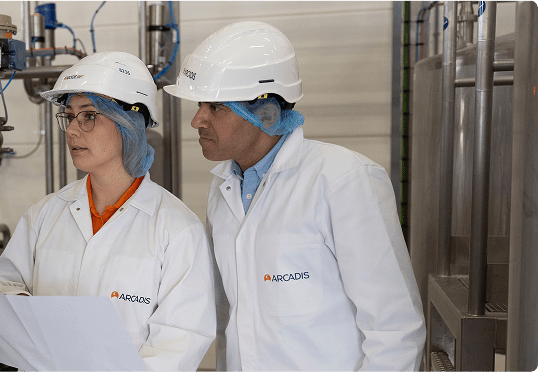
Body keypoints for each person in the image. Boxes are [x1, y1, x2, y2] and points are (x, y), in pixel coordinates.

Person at [164, 21, 426, 371]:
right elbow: (231, 319)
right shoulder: (223, 189)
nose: (197, 120)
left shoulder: (344, 180)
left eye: (216, 107)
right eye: (200, 104)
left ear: (264, 112)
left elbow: (395, 329)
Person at [0, 51, 215, 371]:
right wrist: (21, 308)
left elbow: (180, 341)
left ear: (129, 123)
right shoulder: (45, 214)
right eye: (69, 116)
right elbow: (4, 286)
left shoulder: (177, 230)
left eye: (89, 116)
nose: (71, 131)